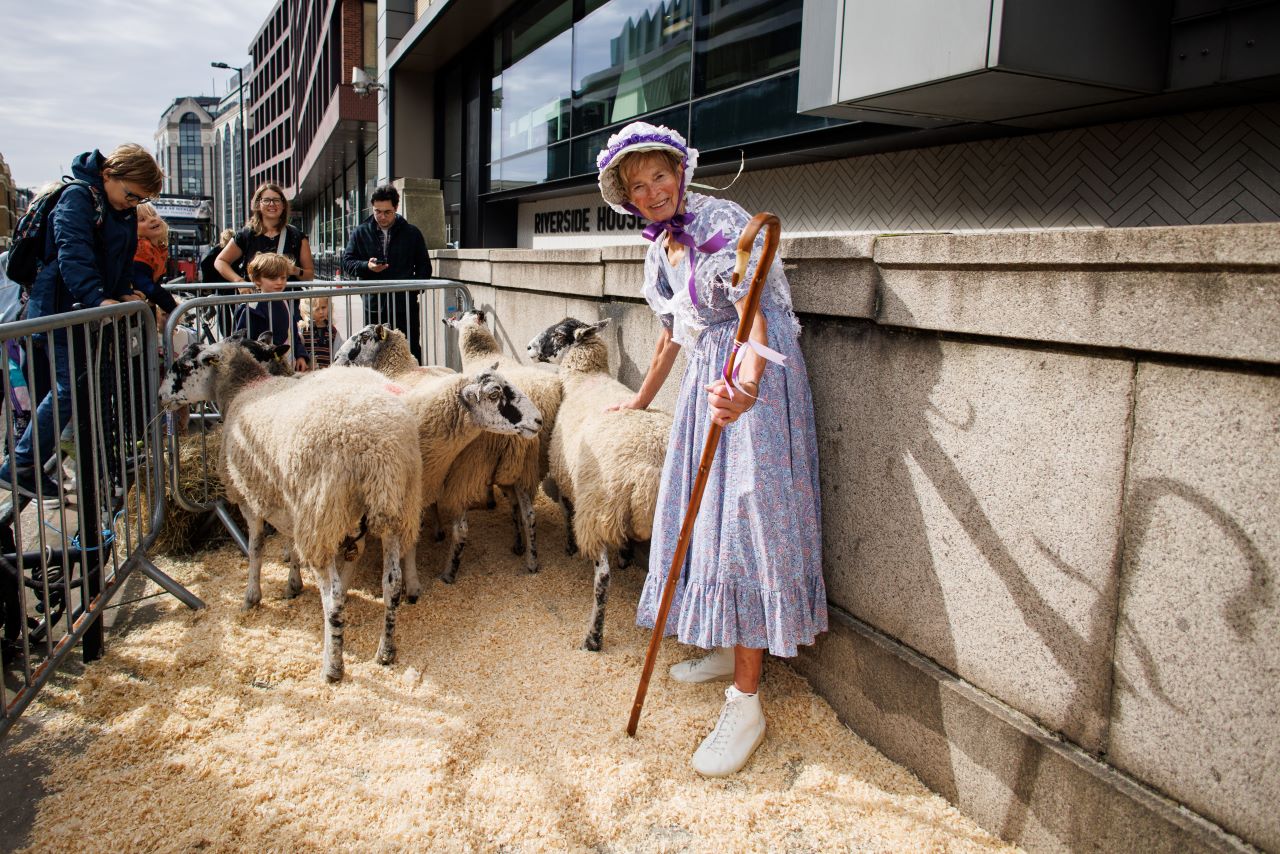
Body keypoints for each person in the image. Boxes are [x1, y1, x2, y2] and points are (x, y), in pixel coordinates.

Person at [596, 122, 826, 777]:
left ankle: (746, 702)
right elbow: (674, 333)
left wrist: (748, 387)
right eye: (638, 186)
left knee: (743, 524)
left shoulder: (722, 221)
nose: (653, 191)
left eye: (660, 176)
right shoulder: (659, 250)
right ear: (628, 199)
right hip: (708, 382)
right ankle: (730, 650)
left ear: (681, 172)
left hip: (752, 380)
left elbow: (753, 312)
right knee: (704, 522)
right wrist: (641, 400)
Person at [0, 143, 163, 504]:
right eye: (131, 194)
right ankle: (22, 463)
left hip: (84, 309)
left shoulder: (115, 206)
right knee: (70, 389)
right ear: (109, 174)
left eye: (140, 199)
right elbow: (73, 253)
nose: (133, 203)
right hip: (62, 308)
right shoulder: (76, 198)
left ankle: (42, 466)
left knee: (79, 389)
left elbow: (116, 258)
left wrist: (121, 293)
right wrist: (98, 298)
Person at [341, 184, 431, 362]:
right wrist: (367, 266)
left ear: (396, 208)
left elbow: (424, 268)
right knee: (374, 351)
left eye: (387, 212)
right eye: (377, 211)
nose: (381, 216)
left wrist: (412, 290)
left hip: (404, 305)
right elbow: (346, 262)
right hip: (373, 304)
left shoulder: (412, 233)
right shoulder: (361, 232)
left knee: (409, 350)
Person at [214, 183, 314, 288]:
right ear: (258, 204)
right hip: (256, 301)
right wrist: (239, 281)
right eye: (266, 200)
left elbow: (310, 275)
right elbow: (220, 261)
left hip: (289, 302)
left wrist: (295, 270)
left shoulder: (296, 236)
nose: (272, 204)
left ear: (283, 205)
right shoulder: (246, 235)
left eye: (276, 200)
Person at [233, 252, 309, 373]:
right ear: (257, 280)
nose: (279, 282)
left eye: (283, 277)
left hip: (288, 365)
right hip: (262, 370)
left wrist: (300, 355)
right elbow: (241, 344)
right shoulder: (250, 309)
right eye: (273, 278)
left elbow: (293, 334)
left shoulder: (285, 302)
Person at [131, 202, 179, 313]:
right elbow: (145, 285)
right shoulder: (140, 249)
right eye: (142, 219)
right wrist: (172, 307)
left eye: (153, 214)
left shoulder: (158, 249)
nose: (152, 219)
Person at [296, 295, 343, 370]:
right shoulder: (303, 329)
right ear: (307, 310)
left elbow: (338, 351)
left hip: (327, 374)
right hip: (307, 374)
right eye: (317, 309)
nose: (321, 312)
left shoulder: (333, 331)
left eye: (323, 307)